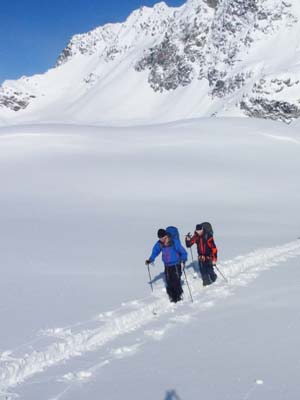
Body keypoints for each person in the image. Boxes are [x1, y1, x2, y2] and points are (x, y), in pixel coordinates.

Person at [145, 228, 188, 303]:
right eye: (160, 238)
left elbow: (182, 251)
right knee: (169, 282)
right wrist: (150, 259)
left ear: (166, 236)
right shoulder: (160, 244)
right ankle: (172, 297)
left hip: (175, 264)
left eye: (162, 238)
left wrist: (184, 258)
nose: (161, 240)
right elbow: (155, 251)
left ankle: (179, 297)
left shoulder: (174, 242)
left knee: (176, 281)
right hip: (167, 265)